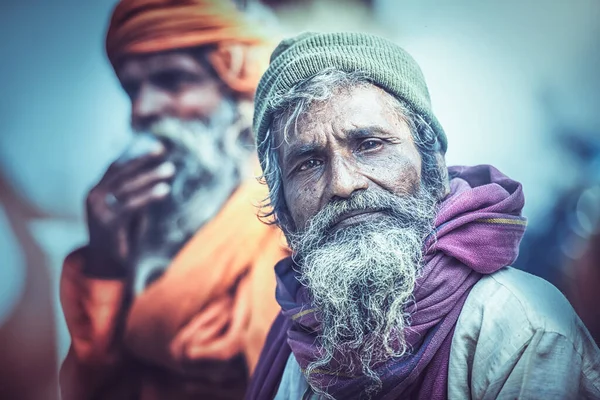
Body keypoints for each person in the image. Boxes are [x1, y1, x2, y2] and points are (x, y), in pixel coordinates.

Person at [246, 32, 600, 399]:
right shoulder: (297, 335)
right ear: (284, 208)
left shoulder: (519, 328)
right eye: (308, 163)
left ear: (432, 162)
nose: (343, 184)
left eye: (370, 145)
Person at [59, 1, 288, 399]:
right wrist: (103, 265)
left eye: (173, 80)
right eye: (132, 89)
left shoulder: (295, 211)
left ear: (239, 85)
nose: (142, 110)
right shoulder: (136, 223)